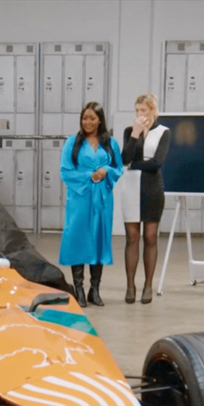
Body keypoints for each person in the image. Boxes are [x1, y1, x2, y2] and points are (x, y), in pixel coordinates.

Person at [60, 102, 122, 307]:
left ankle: (94, 290)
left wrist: (106, 171)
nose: (87, 122)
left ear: (100, 120)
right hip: (80, 197)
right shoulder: (72, 142)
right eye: (84, 118)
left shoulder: (111, 143)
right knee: (78, 239)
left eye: (92, 118)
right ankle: (78, 288)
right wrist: (89, 176)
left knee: (98, 239)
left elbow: (118, 168)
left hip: (102, 199)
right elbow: (65, 170)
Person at [119, 93, 170, 305]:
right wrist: (135, 134)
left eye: (144, 110)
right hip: (130, 187)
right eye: (137, 110)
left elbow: (157, 162)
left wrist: (135, 165)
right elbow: (124, 159)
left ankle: (148, 285)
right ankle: (130, 285)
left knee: (150, 237)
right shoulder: (129, 131)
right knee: (132, 237)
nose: (140, 114)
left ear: (153, 110)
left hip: (152, 188)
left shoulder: (163, 132)